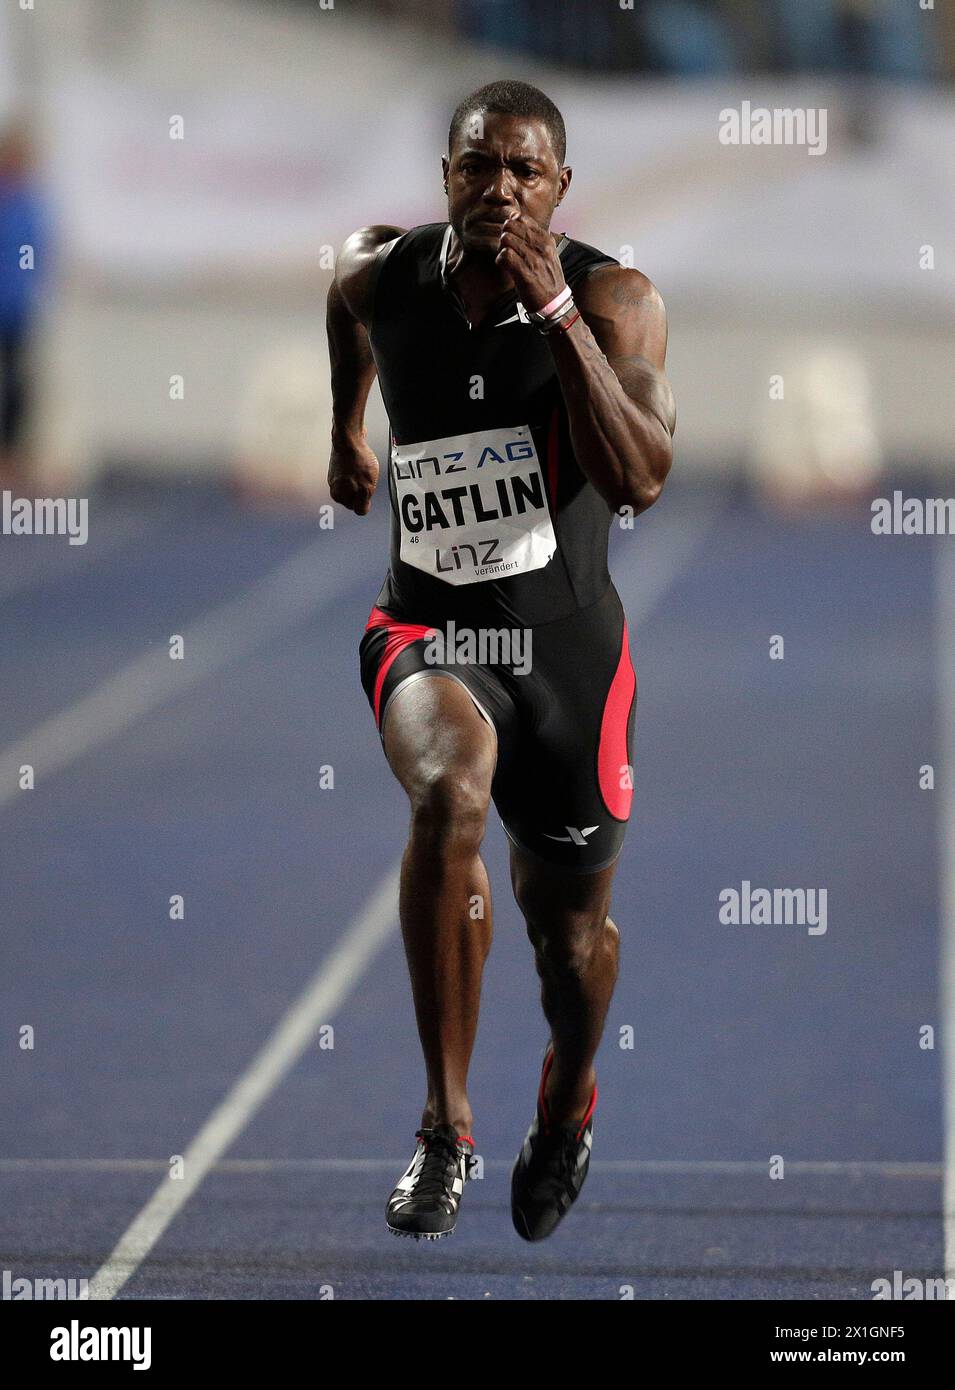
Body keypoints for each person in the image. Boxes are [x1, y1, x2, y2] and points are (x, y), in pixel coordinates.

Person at [326, 79, 675, 1242]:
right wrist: (345, 430)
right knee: (447, 792)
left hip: (568, 656)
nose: (501, 191)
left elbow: (637, 480)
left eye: (526, 173)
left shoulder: (617, 301)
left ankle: (566, 1101)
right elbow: (344, 298)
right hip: (430, 629)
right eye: (479, 167)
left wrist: (555, 316)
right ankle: (444, 1125)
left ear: (561, 189)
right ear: (445, 177)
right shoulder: (387, 273)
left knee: (569, 944)